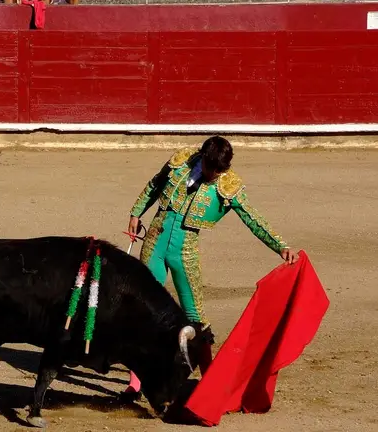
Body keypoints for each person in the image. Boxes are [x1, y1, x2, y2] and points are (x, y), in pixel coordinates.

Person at [122, 135, 299, 397]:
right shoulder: (181, 161)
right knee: (142, 313)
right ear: (202, 157)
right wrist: (136, 212)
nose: (215, 175)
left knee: (197, 318)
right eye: (211, 168)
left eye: (220, 170)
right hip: (155, 240)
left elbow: (252, 217)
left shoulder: (228, 184)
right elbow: (155, 184)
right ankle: (135, 383)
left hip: (185, 249)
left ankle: (211, 381)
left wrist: (280, 244)